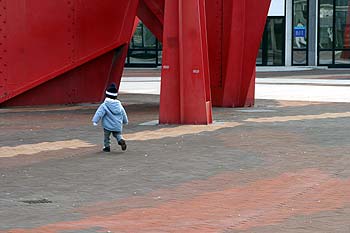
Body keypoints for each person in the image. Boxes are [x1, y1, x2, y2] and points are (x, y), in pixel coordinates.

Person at [92, 83, 128, 152]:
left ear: (107, 95)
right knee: (117, 134)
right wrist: (125, 121)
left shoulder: (104, 105)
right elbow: (123, 113)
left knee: (106, 137)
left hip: (107, 126)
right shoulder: (119, 105)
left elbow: (99, 113)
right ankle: (120, 140)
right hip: (117, 124)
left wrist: (95, 121)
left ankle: (107, 147)